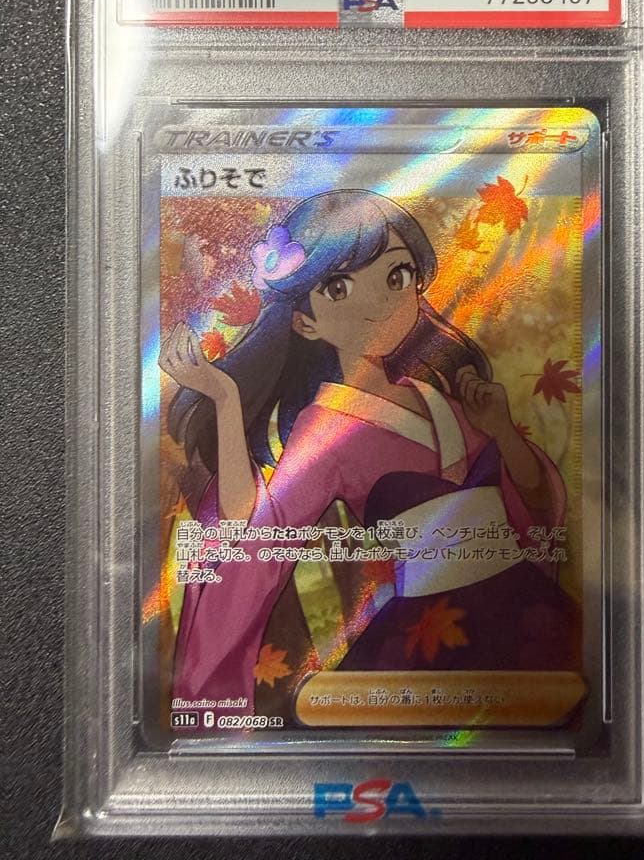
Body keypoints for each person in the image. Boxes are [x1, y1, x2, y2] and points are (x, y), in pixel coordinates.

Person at [161, 189, 578, 713]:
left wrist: (501, 431)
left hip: (524, 606)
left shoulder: (441, 399)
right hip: (430, 630)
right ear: (304, 321)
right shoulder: (325, 430)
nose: (379, 303)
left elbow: (535, 504)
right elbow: (261, 534)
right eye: (339, 288)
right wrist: (226, 400)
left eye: (397, 276)